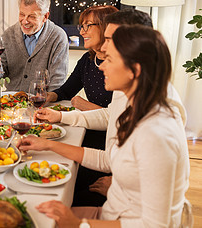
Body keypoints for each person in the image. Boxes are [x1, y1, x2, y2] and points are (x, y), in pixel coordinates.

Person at [19, 25, 190, 226]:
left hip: (122, 221)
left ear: (135, 70)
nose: (101, 66)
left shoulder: (156, 134)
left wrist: (77, 224)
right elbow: (109, 159)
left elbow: (154, 225)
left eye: (109, 60)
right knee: (29, 212)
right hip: (112, 213)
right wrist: (47, 145)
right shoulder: (134, 108)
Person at [0, 0, 68, 92]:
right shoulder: (8, 35)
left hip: (42, 102)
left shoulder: (58, 37)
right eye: (22, 14)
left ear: (45, 16)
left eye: (31, 16)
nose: (25, 21)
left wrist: (44, 103)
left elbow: (57, 82)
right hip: (12, 102)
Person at [47, 5, 118, 111]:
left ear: (106, 27)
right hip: (89, 123)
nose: (81, 32)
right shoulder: (88, 59)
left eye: (88, 26)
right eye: (82, 26)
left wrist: (87, 106)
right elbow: (66, 92)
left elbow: (120, 118)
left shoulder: (121, 65)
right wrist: (48, 96)